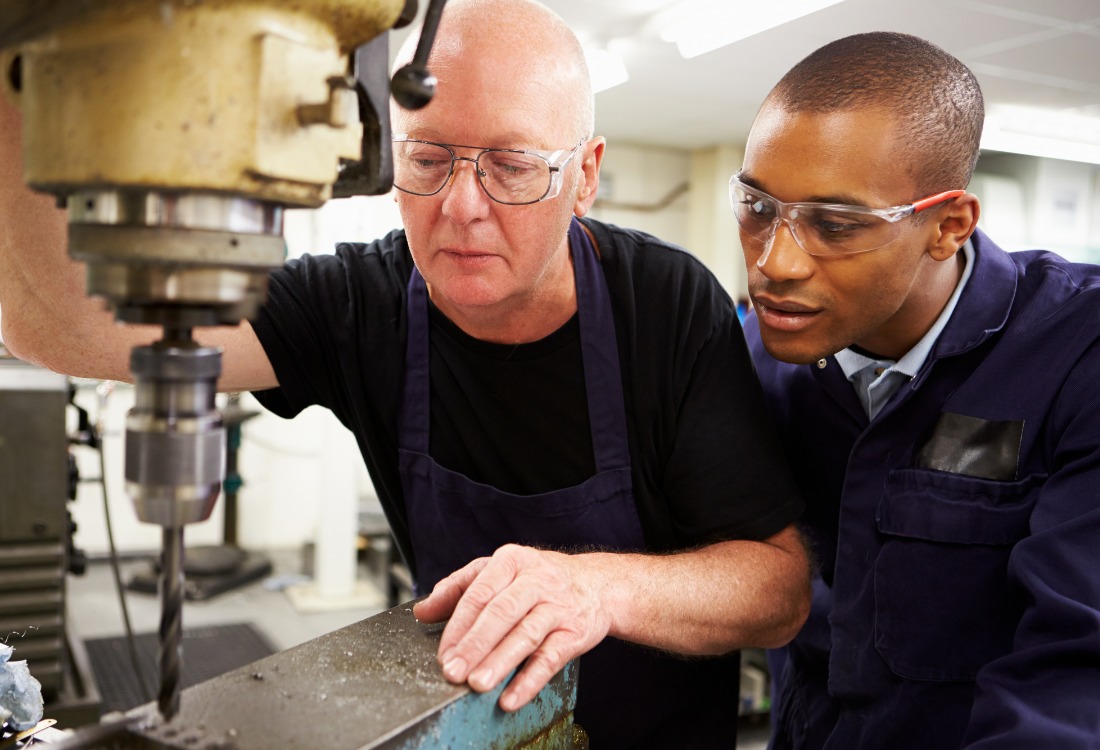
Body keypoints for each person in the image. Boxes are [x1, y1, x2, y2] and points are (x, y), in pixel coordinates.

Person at [0, 0, 811, 745]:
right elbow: (66, 328)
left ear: (585, 177)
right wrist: (19, 62)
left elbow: (777, 592)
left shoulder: (665, 304)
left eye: (512, 166)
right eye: (429, 160)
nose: (460, 206)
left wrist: (598, 588)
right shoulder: (359, 302)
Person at [737, 31, 1100, 749]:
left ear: (947, 225)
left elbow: (1073, 668)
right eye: (756, 208)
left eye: (835, 225)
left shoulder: (1076, 356)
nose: (774, 263)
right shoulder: (757, 360)